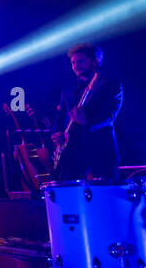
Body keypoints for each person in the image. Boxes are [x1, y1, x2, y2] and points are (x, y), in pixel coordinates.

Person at [52, 43, 123, 182]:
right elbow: (60, 117)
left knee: (105, 192)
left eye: (80, 61)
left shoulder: (111, 85)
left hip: (101, 145)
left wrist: (87, 123)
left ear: (95, 61)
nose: (75, 66)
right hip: (72, 149)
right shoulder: (68, 89)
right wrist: (57, 133)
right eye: (73, 63)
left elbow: (110, 115)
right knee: (71, 191)